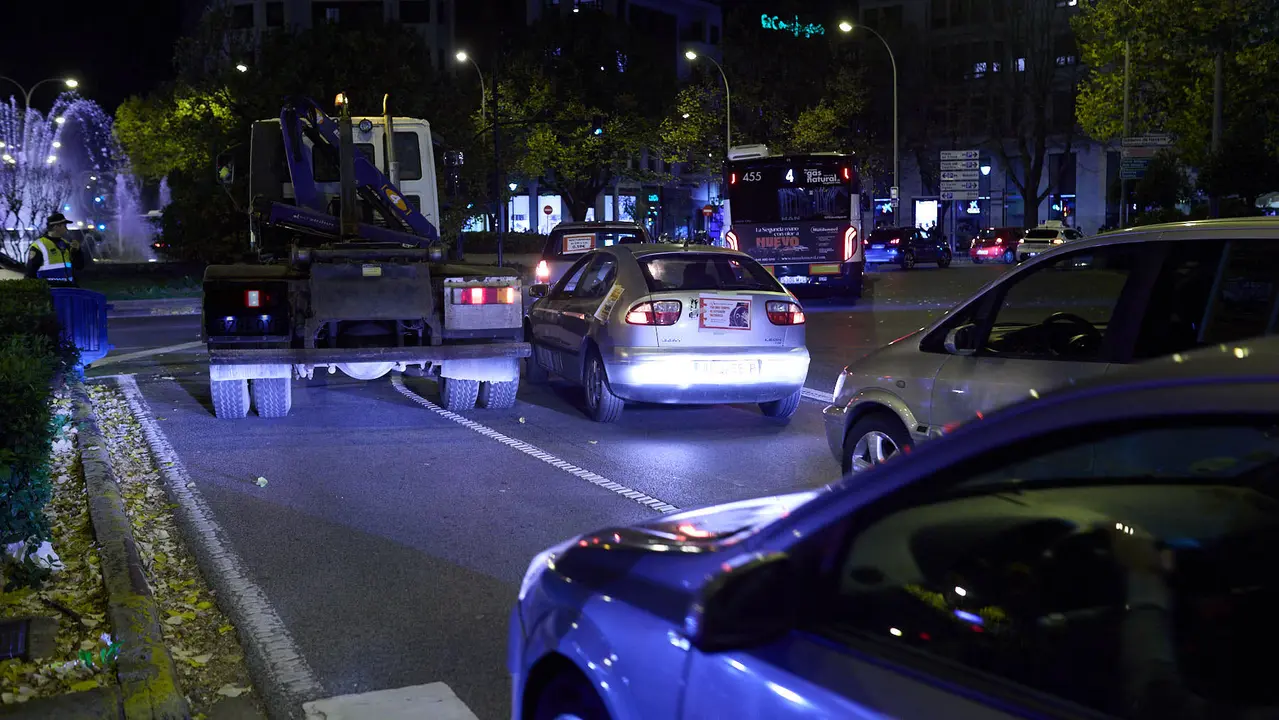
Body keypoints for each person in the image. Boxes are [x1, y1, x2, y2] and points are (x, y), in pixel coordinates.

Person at [25, 213, 82, 284]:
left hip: (68, 290)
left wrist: (77, 251)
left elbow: (79, 266)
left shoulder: (66, 244)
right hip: (50, 291)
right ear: (56, 227)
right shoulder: (38, 245)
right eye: (64, 226)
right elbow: (30, 273)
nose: (67, 228)